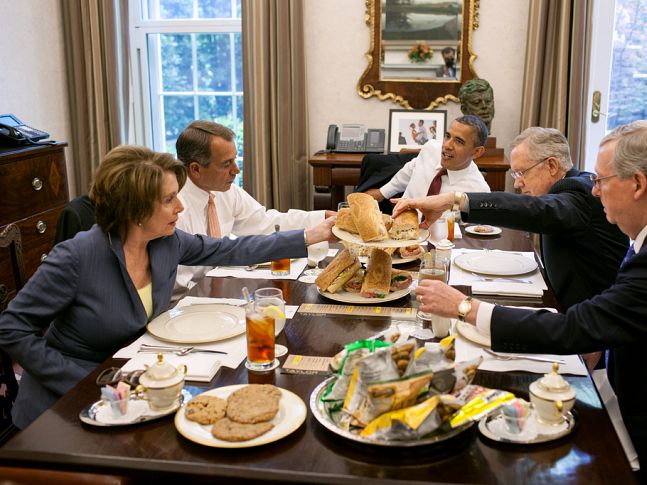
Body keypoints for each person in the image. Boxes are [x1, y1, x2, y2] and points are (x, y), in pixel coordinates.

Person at [412, 121, 647, 482]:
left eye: (603, 181)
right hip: (629, 381)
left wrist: (464, 307)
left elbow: (579, 327)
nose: (596, 191)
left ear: (638, 184)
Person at [0, 145, 335, 429]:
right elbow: (11, 329)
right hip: (63, 408)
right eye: (169, 199)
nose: (181, 207)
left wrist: (311, 235)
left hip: (136, 391)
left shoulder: (164, 242)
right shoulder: (76, 257)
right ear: (135, 207)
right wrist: (85, 381)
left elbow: (231, 249)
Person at [394, 127, 629, 311]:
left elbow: (535, 210)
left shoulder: (580, 195)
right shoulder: (572, 189)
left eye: (521, 173)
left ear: (551, 165)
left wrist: (454, 200)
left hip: (588, 334)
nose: (517, 183)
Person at [174, 120, 335, 294]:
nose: (236, 170)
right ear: (196, 169)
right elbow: (178, 287)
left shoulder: (226, 191)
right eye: (226, 164)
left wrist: (322, 218)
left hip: (221, 291)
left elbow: (265, 223)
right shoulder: (174, 210)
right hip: (188, 304)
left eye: (235, 159)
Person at [365, 115, 491, 202]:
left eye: (459, 141)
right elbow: (410, 169)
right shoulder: (432, 148)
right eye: (447, 136)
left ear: (476, 152)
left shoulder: (479, 192)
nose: (447, 145)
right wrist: (382, 193)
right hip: (401, 226)